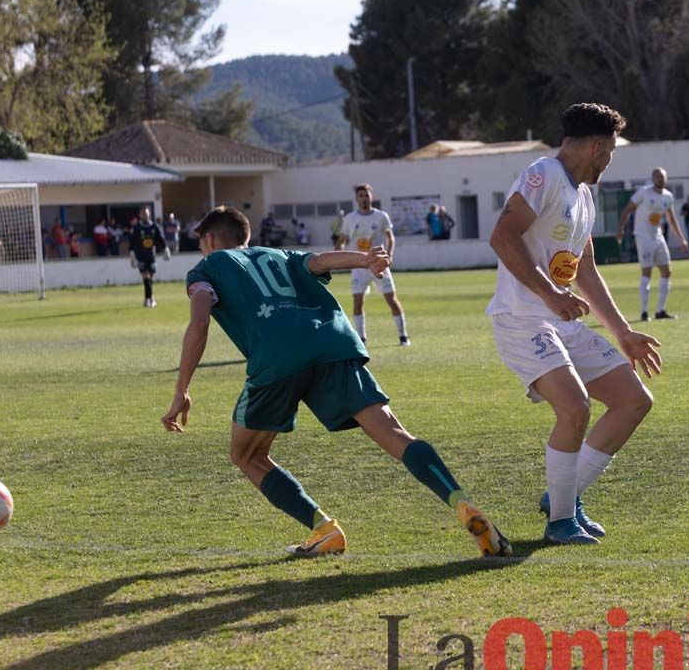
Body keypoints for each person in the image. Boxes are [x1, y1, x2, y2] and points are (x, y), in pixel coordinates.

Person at [160, 205, 510, 558]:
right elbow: (321, 262)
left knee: (247, 453)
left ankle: (324, 529)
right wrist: (366, 259)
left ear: (208, 240)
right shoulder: (280, 254)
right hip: (332, 343)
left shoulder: (206, 268)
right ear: (246, 237)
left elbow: (199, 322)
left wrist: (181, 390)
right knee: (395, 433)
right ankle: (462, 503)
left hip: (278, 357)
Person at [487, 102, 661, 545]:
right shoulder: (543, 174)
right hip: (523, 320)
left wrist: (623, 333)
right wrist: (549, 294)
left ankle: (563, 497)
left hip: (558, 320)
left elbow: (584, 269)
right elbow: (502, 237)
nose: (609, 162)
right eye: (611, 153)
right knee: (575, 407)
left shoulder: (583, 195)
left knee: (633, 400)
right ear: (597, 146)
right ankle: (561, 522)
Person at [337, 184, 410, 346]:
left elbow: (390, 237)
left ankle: (403, 336)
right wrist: (339, 255)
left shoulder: (381, 216)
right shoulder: (350, 219)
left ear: (372, 197)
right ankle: (362, 339)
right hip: (359, 266)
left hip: (378, 265)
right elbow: (341, 241)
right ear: (356, 199)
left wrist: (389, 255)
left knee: (391, 299)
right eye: (361, 196)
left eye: (366, 195)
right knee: (357, 301)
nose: (364, 198)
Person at [616, 167, 689, 321]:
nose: (659, 179)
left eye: (662, 177)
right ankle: (644, 312)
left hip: (658, 237)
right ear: (652, 178)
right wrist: (621, 228)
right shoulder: (644, 192)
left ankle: (660, 311)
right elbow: (628, 209)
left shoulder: (668, 196)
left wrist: (681, 239)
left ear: (666, 179)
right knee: (647, 272)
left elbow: (671, 219)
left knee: (667, 271)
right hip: (643, 237)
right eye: (657, 177)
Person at [128, 207, 169, 307]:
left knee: (150, 277)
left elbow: (161, 239)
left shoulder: (154, 227)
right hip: (140, 256)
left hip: (151, 256)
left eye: (146, 214)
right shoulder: (137, 228)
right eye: (142, 214)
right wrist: (132, 256)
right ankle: (149, 299)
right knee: (146, 276)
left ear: (149, 214)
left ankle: (149, 298)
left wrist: (165, 249)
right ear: (140, 215)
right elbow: (132, 243)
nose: (144, 216)